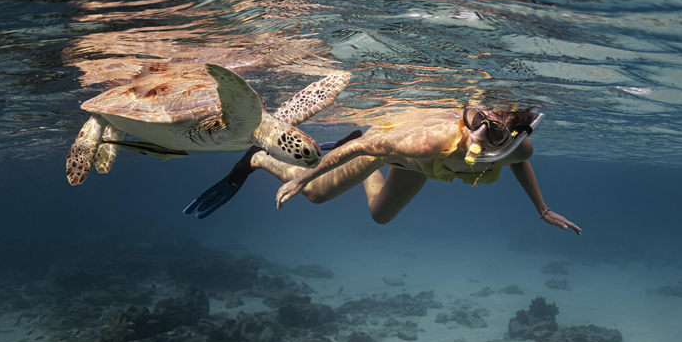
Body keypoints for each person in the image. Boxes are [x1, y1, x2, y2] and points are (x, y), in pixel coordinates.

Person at [185, 108, 581, 235]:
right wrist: (304, 175)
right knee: (317, 194)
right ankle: (258, 158)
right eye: (476, 120)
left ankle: (325, 165)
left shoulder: (517, 146)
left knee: (380, 215)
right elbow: (362, 148)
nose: (478, 134)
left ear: (511, 136)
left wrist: (542, 209)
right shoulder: (429, 141)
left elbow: (519, 160)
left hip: (420, 168)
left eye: (492, 130)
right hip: (386, 147)